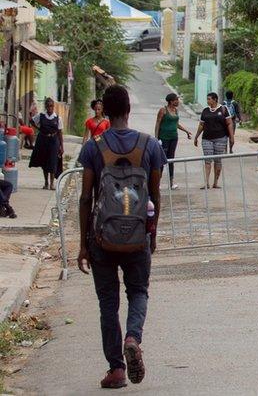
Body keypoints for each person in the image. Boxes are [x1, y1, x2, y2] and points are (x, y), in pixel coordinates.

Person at [76, 85, 166, 389]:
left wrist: (82, 244)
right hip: (138, 235)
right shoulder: (150, 145)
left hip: (101, 238)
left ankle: (116, 369)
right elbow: (155, 195)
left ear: (105, 110)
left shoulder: (93, 147)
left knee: (107, 303)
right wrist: (152, 234)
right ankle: (133, 337)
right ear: (128, 109)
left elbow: (86, 198)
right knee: (138, 292)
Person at [194, 92, 234, 190]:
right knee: (207, 160)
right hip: (207, 138)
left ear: (215, 99)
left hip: (220, 138)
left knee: (218, 160)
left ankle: (215, 182)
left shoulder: (223, 109)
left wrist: (231, 136)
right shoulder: (205, 111)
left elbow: (229, 123)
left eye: (209, 99)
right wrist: (196, 136)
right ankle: (206, 182)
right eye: (207, 99)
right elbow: (201, 125)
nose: (208, 101)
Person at [154, 93, 193, 190]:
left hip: (173, 137)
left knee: (172, 160)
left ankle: (171, 183)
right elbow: (158, 124)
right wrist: (156, 138)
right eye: (176, 100)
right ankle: (157, 183)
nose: (178, 101)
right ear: (171, 101)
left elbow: (176, 124)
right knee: (162, 160)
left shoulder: (176, 110)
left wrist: (186, 131)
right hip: (164, 138)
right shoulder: (163, 110)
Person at [28, 97, 63, 190]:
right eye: (48, 106)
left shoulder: (58, 118)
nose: (50, 108)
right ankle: (46, 182)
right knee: (44, 162)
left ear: (53, 106)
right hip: (43, 140)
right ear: (46, 107)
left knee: (52, 161)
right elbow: (31, 120)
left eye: (51, 106)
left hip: (54, 141)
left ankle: (52, 184)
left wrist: (61, 146)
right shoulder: (41, 116)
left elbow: (60, 132)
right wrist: (38, 128)